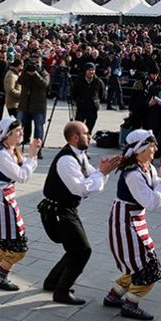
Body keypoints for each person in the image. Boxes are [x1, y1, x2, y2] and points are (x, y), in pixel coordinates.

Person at [38, 121, 121, 305]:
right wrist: (102, 173)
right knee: (82, 250)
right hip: (57, 211)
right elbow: (81, 189)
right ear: (75, 137)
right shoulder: (67, 160)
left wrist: (102, 172)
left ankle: (52, 282)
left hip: (66, 209)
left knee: (75, 248)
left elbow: (92, 178)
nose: (90, 137)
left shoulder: (79, 155)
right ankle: (61, 291)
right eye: (86, 133)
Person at [104, 130, 161, 320]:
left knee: (139, 263)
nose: (156, 148)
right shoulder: (133, 174)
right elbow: (151, 202)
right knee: (148, 266)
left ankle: (115, 294)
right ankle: (130, 303)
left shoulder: (146, 167)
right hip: (125, 222)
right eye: (152, 145)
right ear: (141, 149)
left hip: (134, 220)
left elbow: (158, 192)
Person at [0, 118, 40, 291]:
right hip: (0, 200)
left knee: (7, 240)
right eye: (17, 131)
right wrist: (32, 156)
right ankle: (1, 277)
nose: (21, 133)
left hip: (5, 198)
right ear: (7, 135)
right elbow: (22, 176)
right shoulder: (1, 154)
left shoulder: (11, 150)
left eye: (21, 130)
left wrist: (30, 157)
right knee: (19, 244)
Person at [17, 57, 50, 147]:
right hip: (25, 104)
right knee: (18, 125)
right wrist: (26, 73)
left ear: (41, 63)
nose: (35, 65)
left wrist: (35, 74)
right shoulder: (26, 72)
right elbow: (19, 81)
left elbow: (45, 84)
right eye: (33, 63)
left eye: (37, 62)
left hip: (38, 105)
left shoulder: (44, 73)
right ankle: (17, 145)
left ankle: (37, 148)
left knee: (38, 127)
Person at [71, 62, 105, 135]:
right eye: (89, 70)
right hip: (81, 107)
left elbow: (102, 94)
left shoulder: (98, 81)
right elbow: (74, 93)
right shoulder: (79, 81)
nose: (91, 72)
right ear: (85, 71)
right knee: (78, 128)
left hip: (93, 108)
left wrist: (97, 101)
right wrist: (78, 101)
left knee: (89, 129)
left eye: (93, 70)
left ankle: (86, 143)